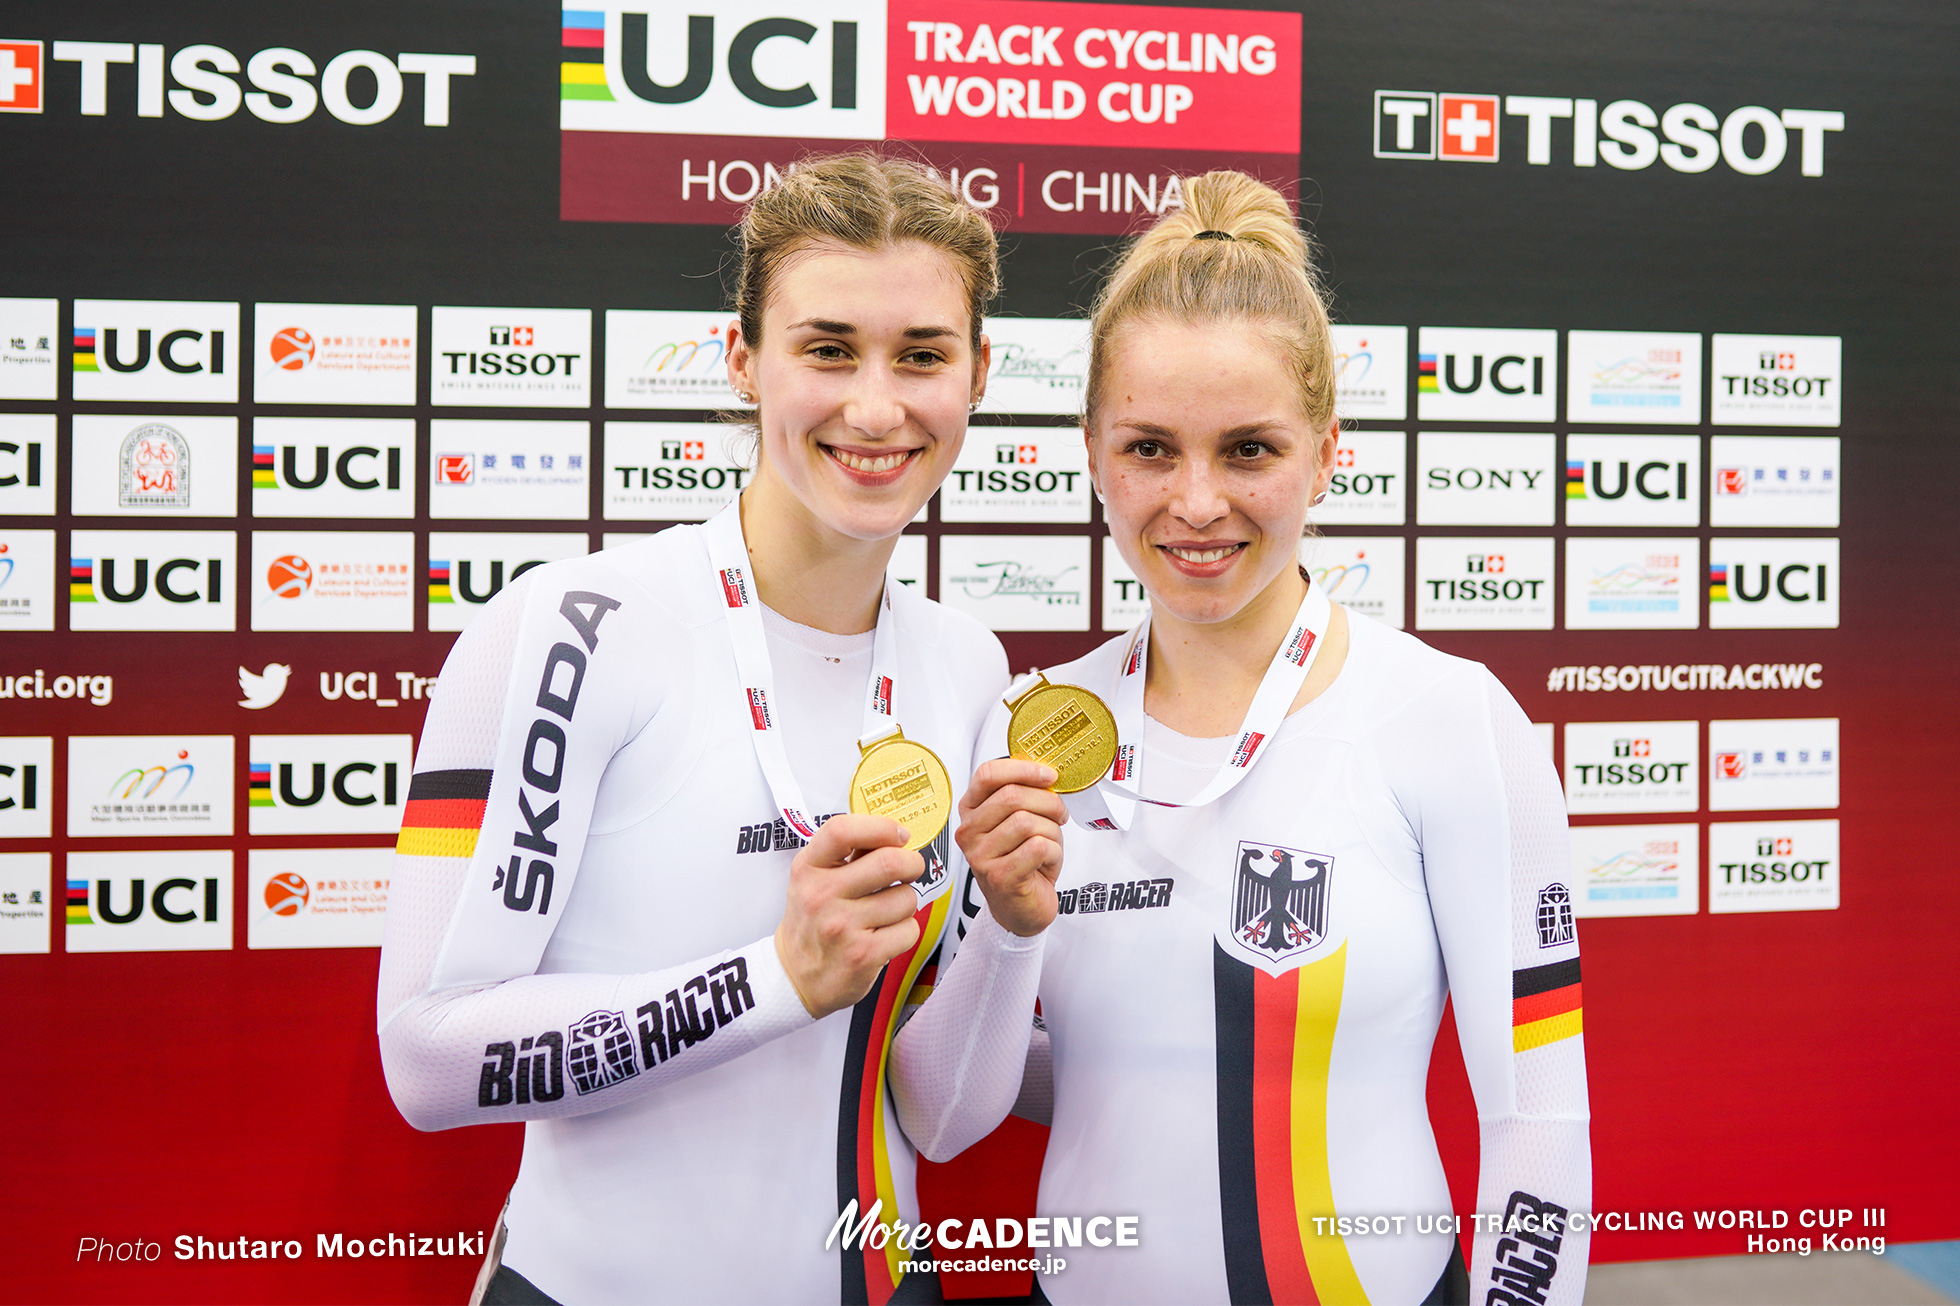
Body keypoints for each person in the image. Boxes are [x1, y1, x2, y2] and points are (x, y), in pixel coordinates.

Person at [890, 171, 1591, 1306]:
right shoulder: (1029, 733)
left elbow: (1538, 1118)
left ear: (1324, 452)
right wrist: (1007, 937)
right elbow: (939, 1115)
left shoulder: (1450, 720)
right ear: (1090, 451)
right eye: (1151, 448)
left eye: (1250, 450)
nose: (1197, 501)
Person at [376, 154, 1009, 1306]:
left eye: (923, 355)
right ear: (741, 359)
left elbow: (941, 1110)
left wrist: (1012, 937)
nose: (877, 406)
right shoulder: (574, 626)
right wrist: (775, 976)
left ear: (976, 377)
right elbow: (425, 1054)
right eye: (827, 349)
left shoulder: (965, 666)